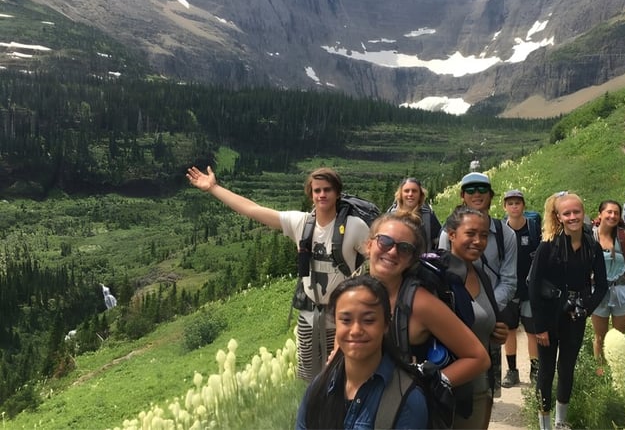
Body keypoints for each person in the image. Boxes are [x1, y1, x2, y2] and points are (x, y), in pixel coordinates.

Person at [186, 166, 370, 382]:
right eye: (317, 190)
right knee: (309, 381)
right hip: (308, 316)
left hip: (342, 319)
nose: (322, 195)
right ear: (310, 194)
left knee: (342, 378)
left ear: (337, 193)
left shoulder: (355, 227)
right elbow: (252, 210)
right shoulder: (300, 223)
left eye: (327, 190)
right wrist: (214, 188)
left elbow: (377, 260)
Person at [365, 211, 490, 388]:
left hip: (406, 411)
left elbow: (478, 358)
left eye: (404, 248)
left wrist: (425, 388)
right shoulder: (353, 293)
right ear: (368, 245)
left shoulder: (420, 303)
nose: (392, 252)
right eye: (385, 241)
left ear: (410, 260)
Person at [295, 276, 428, 429]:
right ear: (335, 324)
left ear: (386, 325)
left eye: (368, 320)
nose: (356, 330)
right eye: (346, 320)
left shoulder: (406, 400)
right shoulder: (318, 388)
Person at [528, 191, 608, 430]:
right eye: (567, 213)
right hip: (549, 317)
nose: (573, 217)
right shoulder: (548, 246)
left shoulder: (591, 245)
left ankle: (561, 421)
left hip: (575, 317)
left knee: (566, 368)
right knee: (546, 370)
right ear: (559, 217)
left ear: (584, 214)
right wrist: (539, 326)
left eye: (577, 212)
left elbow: (602, 285)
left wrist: (586, 308)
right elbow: (533, 285)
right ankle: (545, 424)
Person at [438, 172, 517, 397]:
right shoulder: (447, 234)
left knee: (486, 392)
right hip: (455, 322)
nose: (477, 194)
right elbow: (444, 276)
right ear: (462, 196)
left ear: (491, 196)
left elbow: (509, 280)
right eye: (470, 190)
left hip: (490, 323)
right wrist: (467, 312)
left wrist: (485, 312)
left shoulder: (506, 234)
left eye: (482, 189)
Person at [443, 206, 509, 429]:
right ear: (452, 235)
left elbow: (479, 323)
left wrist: (495, 332)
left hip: (481, 387)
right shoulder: (439, 278)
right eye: (470, 234)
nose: (478, 241)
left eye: (483, 235)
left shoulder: (481, 275)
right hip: (449, 392)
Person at [589, 200, 625, 364]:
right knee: (600, 337)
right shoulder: (590, 238)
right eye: (609, 212)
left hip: (622, 290)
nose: (612, 216)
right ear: (600, 214)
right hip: (598, 293)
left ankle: (617, 369)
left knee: (619, 336)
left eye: (616, 213)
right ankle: (600, 372)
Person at [499, 189, 542, 388]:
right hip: (509, 289)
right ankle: (512, 370)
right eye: (510, 203)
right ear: (504, 207)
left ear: (523, 205)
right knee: (510, 330)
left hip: (529, 289)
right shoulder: (501, 231)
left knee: (532, 331)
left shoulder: (533, 229)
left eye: (517, 203)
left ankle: (535, 371)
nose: (514, 206)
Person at [385, 177, 442, 252]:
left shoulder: (428, 217)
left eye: (414, 191)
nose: (410, 194)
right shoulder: (391, 217)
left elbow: (438, 243)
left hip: (421, 262)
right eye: (406, 191)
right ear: (401, 194)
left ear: (420, 195)